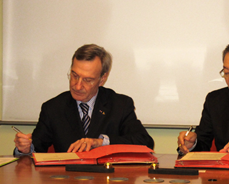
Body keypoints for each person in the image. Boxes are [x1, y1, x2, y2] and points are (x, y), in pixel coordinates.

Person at [13, 44, 155, 155]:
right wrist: (25, 148)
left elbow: (145, 142)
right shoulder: (53, 108)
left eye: (87, 80)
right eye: (74, 75)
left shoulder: (120, 105)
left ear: (102, 79)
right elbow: (36, 147)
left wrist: (101, 142)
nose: (77, 85)